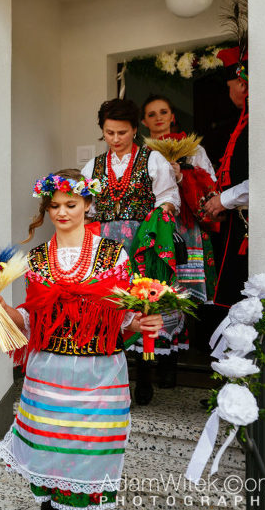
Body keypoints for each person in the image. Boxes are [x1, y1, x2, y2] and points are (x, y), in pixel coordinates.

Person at [0, 169, 163, 510]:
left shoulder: (114, 254)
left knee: (92, 459)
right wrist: (2, 308)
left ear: (87, 204)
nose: (62, 212)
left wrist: (144, 322)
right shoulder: (36, 259)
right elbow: (31, 319)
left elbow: (124, 314)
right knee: (49, 460)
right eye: (54, 206)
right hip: (49, 375)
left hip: (100, 374)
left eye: (71, 204)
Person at [82, 98, 181, 406]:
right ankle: (112, 374)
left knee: (143, 304)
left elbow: (168, 196)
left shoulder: (153, 159)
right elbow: (87, 208)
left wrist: (161, 213)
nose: (115, 139)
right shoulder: (93, 166)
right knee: (109, 304)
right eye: (109, 132)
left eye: (122, 132)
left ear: (135, 129)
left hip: (141, 242)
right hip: (106, 245)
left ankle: (145, 374)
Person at [140, 94, 218, 384]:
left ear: (173, 116)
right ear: (144, 122)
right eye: (151, 114)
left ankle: (173, 363)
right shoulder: (141, 153)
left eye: (163, 112)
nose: (158, 118)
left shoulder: (193, 149)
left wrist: (183, 175)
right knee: (153, 293)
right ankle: (149, 365)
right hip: (154, 229)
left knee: (181, 295)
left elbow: (211, 187)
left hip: (186, 230)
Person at [203, 46, 249, 310]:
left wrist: (224, 199)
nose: (229, 93)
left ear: (241, 84)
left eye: (229, 86)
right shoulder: (244, 121)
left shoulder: (258, 123)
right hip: (236, 221)